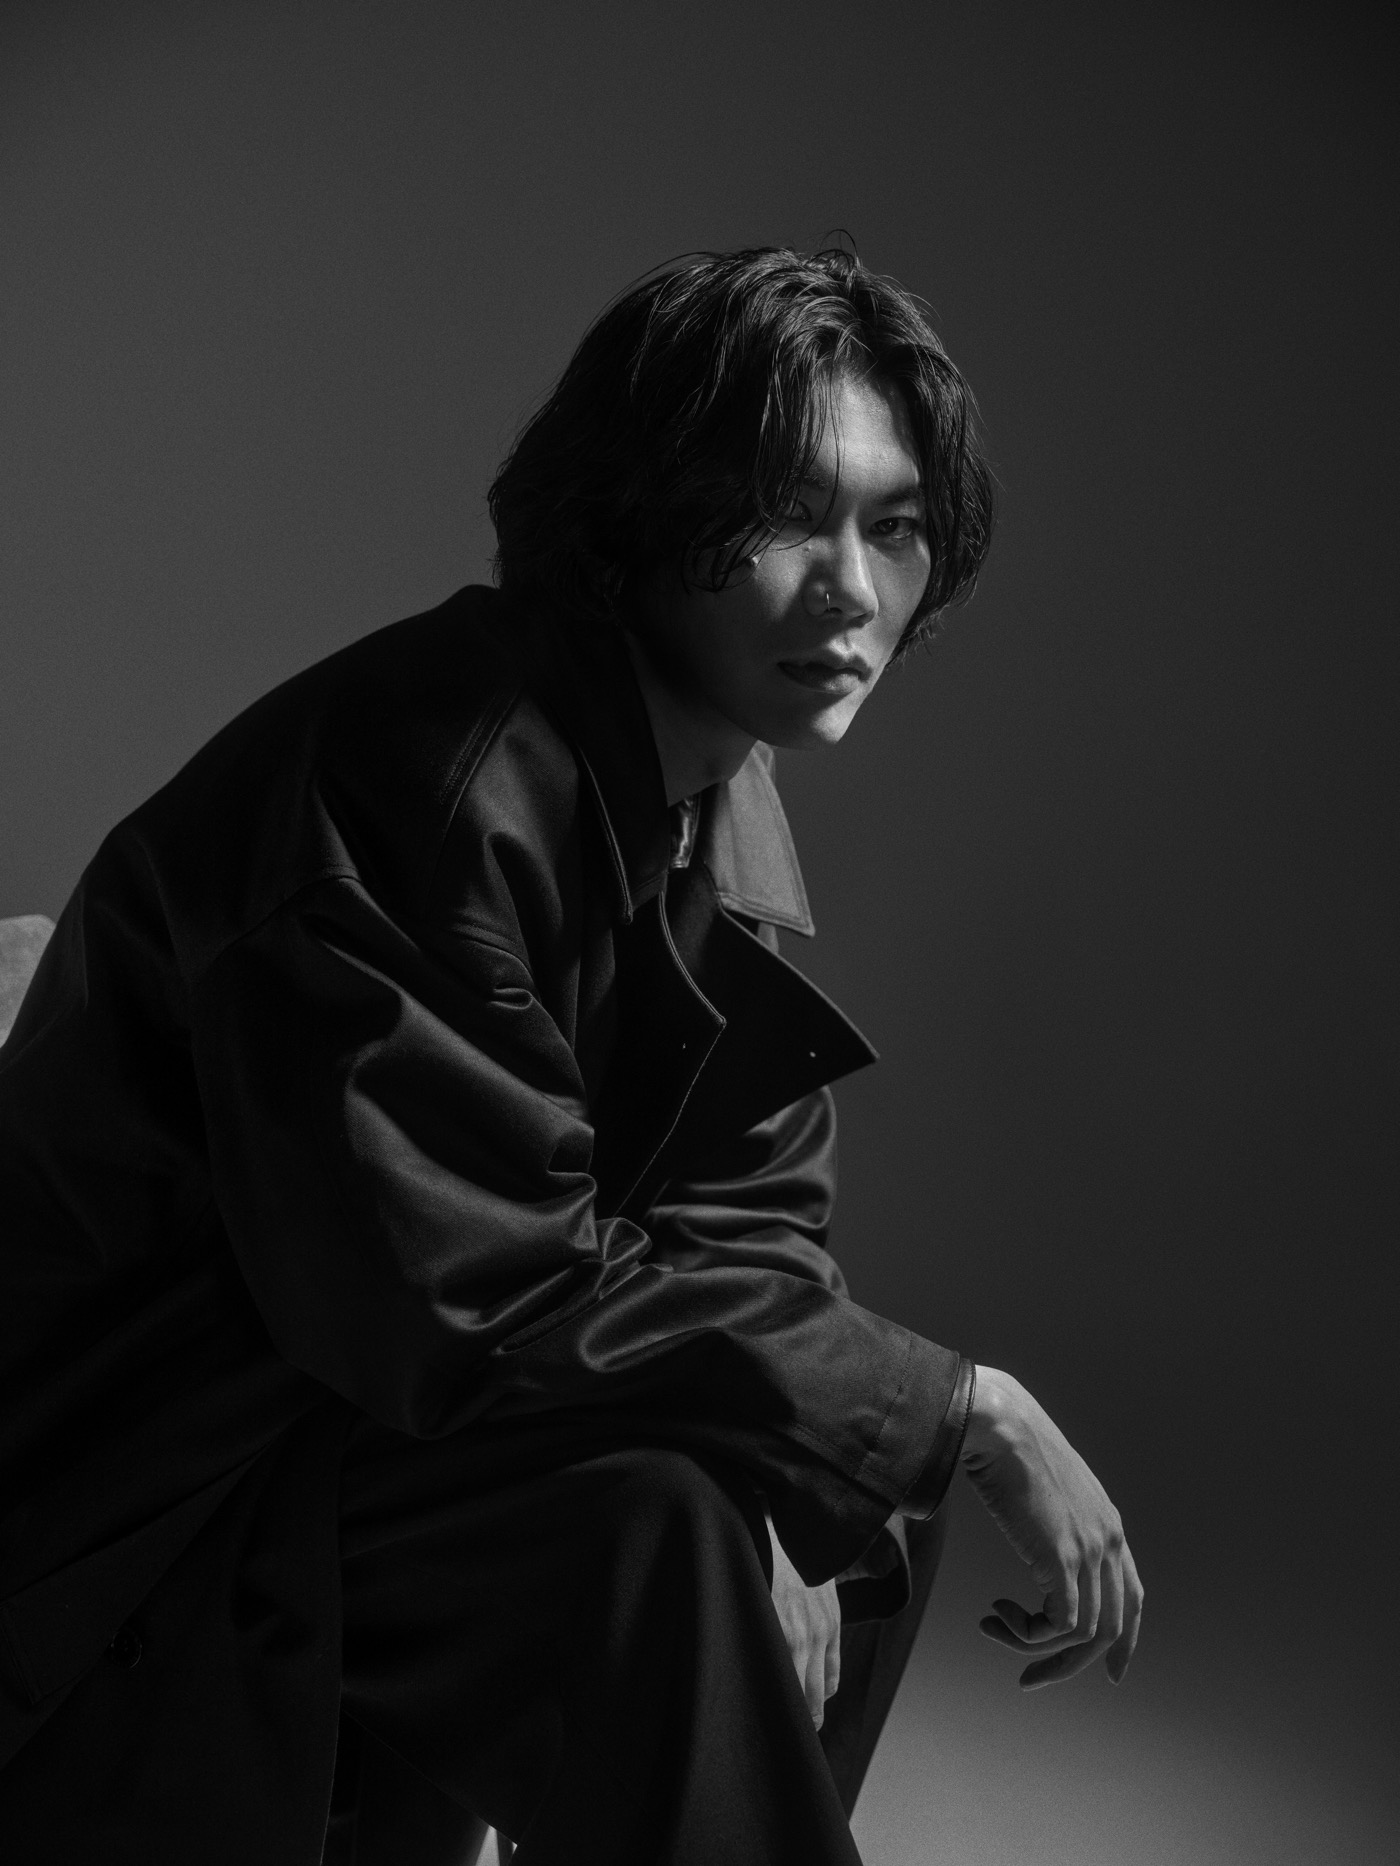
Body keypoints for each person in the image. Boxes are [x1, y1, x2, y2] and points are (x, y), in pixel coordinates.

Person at [0, 247, 1142, 1865]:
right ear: (635, 516)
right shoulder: (433, 781)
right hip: (151, 1485)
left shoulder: (706, 783)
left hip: (362, 1428)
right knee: (675, 1518)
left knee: (850, 1498)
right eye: (783, 516)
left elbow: (746, 1215)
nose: (851, 592)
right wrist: (973, 1407)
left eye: (893, 525)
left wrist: (793, 1461)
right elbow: (479, 1294)